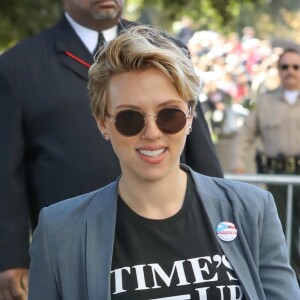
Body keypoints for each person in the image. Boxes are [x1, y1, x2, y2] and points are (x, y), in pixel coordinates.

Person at [28, 25, 299, 300]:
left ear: (191, 116)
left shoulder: (253, 210)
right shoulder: (59, 232)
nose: (152, 133)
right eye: (129, 118)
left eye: (170, 115)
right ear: (102, 123)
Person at [0, 1, 223, 299]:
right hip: (77, 246)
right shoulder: (19, 66)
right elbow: (6, 170)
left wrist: (221, 218)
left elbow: (197, 142)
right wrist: (10, 256)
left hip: (172, 235)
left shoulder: (168, 48)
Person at [231, 47, 300, 283]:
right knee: (283, 234)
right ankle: (291, 285)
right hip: (277, 178)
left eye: (295, 66)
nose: (290, 71)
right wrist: (238, 164)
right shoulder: (265, 101)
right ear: (278, 70)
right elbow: (245, 135)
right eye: (285, 67)